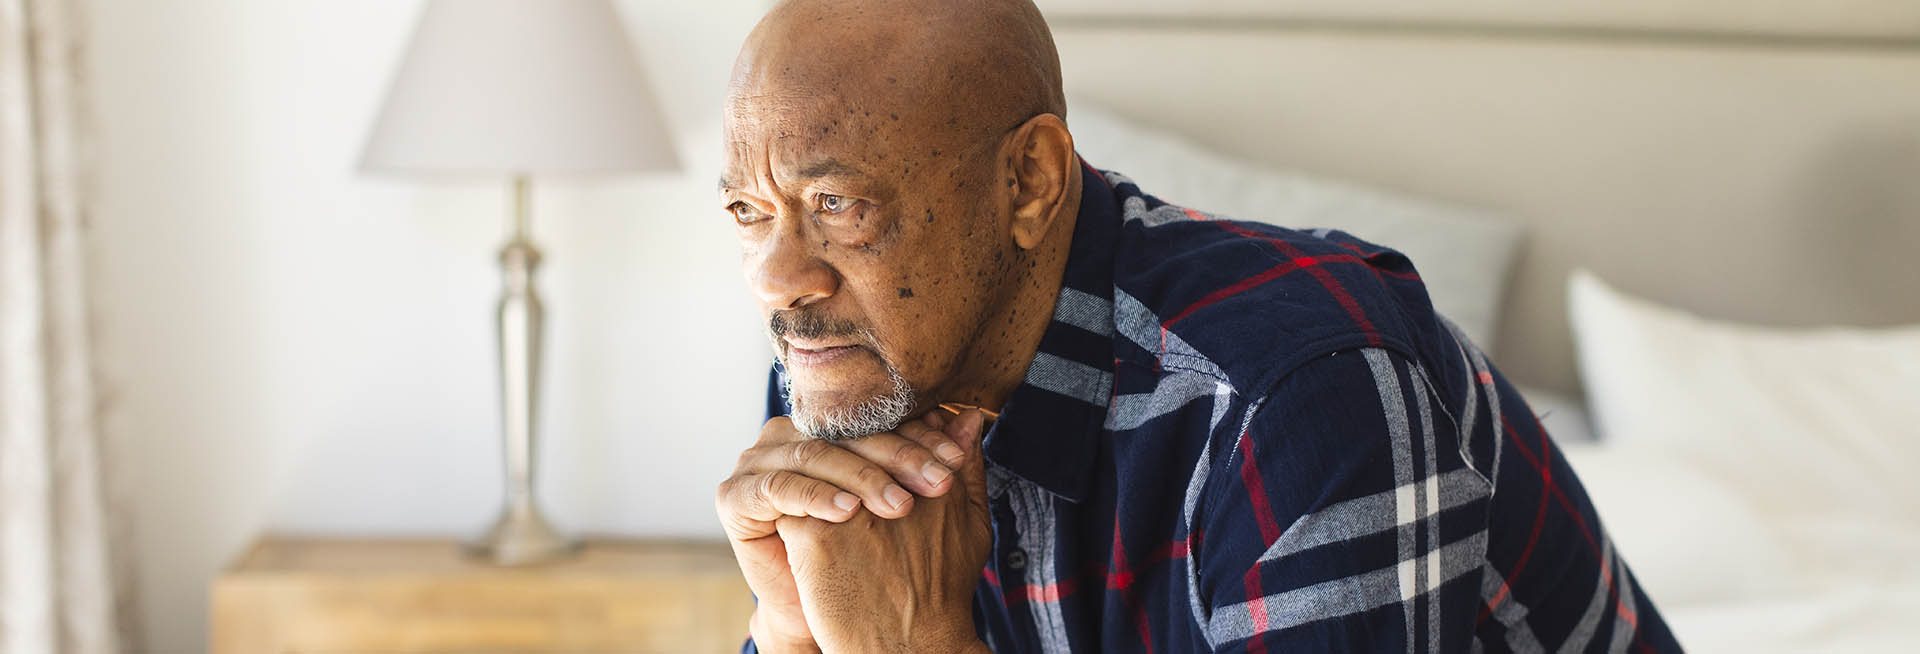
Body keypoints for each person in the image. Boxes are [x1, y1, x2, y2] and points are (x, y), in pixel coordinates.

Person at [712, 0, 1682, 651]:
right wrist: (792, 624)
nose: (778, 280)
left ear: (1029, 183)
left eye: (838, 206)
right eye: (749, 213)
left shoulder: (1305, 397)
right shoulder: (852, 365)